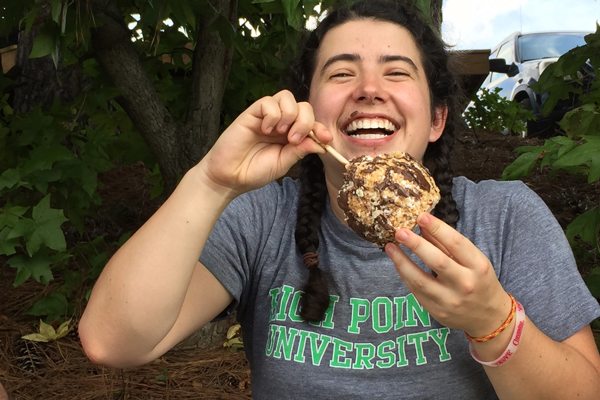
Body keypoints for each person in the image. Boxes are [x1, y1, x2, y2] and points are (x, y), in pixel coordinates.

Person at [79, 1, 600, 398]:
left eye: (397, 71)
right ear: (309, 109)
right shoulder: (262, 216)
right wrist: (211, 182)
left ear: (437, 118)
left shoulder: (505, 217)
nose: (369, 88)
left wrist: (495, 322)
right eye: (341, 72)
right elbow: (113, 342)